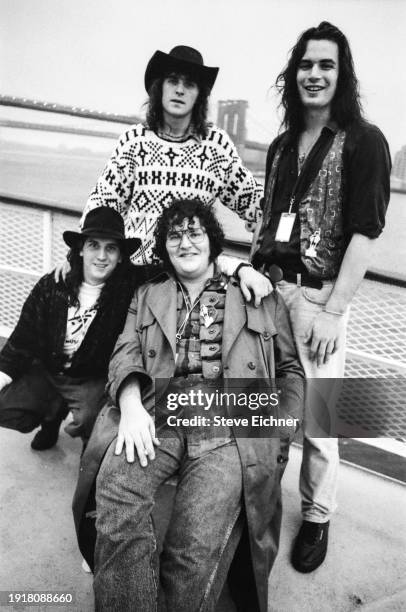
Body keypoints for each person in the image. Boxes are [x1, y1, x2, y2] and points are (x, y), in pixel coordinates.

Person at [74, 198, 304, 612]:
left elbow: (290, 371)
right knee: (117, 495)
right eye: (174, 235)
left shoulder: (259, 295)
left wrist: (277, 432)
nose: (185, 242)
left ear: (212, 242)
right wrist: (129, 404)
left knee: (193, 548)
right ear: (164, 245)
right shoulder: (147, 294)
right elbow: (123, 354)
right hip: (157, 411)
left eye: (194, 232)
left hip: (231, 421)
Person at [251, 21, 391, 572]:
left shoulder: (364, 141)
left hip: (319, 299)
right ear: (295, 72)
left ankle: (317, 515)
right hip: (269, 293)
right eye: (306, 64)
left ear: (342, 73)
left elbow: (366, 233)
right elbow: (268, 221)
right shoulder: (283, 145)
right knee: (260, 408)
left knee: (320, 420)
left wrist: (335, 311)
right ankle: (256, 502)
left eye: (326, 65)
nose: (314, 74)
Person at [0, 207, 141, 450]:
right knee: (3, 405)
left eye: (111, 248)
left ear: (120, 256)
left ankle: (88, 443)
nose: (101, 256)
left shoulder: (128, 287)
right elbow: (22, 340)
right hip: (47, 369)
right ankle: (51, 417)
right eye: (93, 245)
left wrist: (221, 261)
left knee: (96, 423)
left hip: (89, 376)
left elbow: (175, 270)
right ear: (80, 249)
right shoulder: (52, 284)